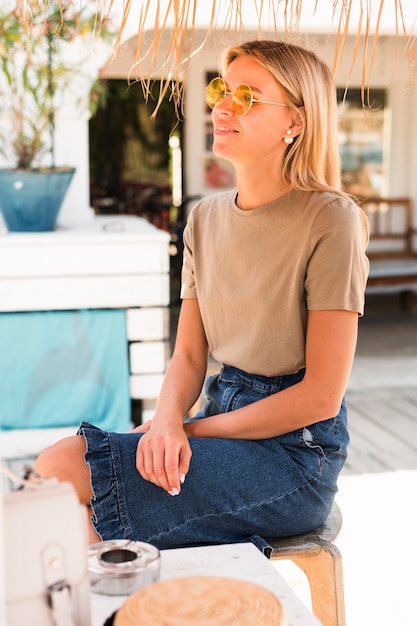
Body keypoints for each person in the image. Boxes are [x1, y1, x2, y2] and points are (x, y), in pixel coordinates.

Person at [35, 39, 369, 555]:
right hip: (221, 410)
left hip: (295, 456)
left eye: (247, 96)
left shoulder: (332, 219)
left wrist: (188, 429)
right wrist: (166, 419)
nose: (223, 105)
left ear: (295, 123)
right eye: (221, 88)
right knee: (59, 479)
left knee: (64, 488)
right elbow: (190, 355)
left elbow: (320, 396)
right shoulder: (205, 219)